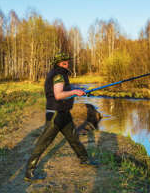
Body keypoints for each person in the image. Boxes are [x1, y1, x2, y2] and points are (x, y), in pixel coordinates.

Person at [24, 52, 97, 182]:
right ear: (59, 63)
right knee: (44, 142)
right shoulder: (58, 74)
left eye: (67, 61)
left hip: (64, 113)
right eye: (64, 62)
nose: (67, 63)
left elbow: (64, 90)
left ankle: (84, 159)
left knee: (74, 138)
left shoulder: (60, 73)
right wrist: (75, 92)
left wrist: (77, 89)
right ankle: (29, 171)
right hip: (55, 115)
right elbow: (58, 95)